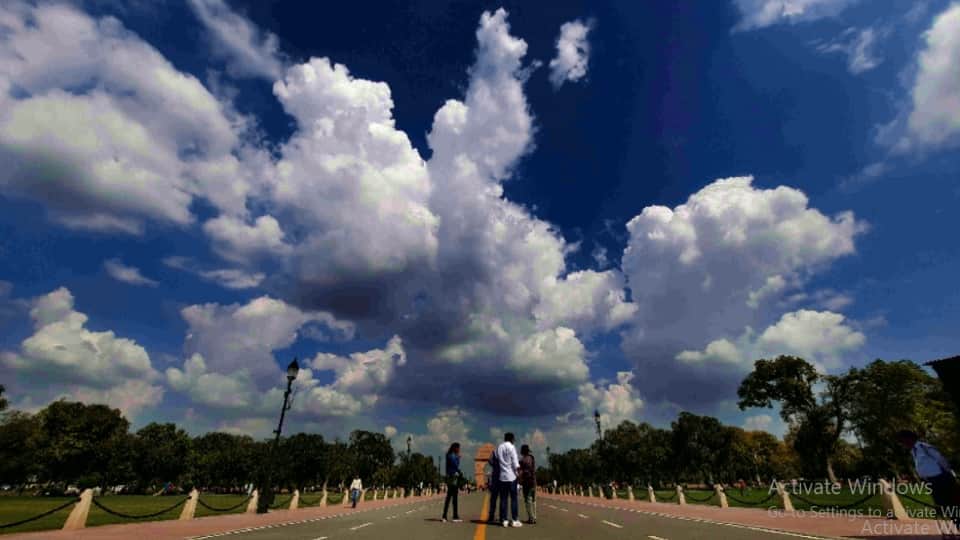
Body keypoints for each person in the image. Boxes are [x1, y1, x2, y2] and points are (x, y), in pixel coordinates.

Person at [896, 430, 960, 530]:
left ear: (909, 438)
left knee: (951, 504)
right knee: (943, 506)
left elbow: (940, 459)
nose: (902, 444)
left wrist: (947, 474)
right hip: (931, 482)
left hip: (941, 479)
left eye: (902, 441)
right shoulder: (913, 451)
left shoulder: (924, 447)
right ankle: (957, 523)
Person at [496, 432, 522, 528]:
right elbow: (515, 463)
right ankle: (514, 520)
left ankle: (504, 520)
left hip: (502, 477)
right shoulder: (512, 447)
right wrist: (519, 475)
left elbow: (497, 460)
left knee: (503, 499)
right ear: (511, 439)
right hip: (512, 477)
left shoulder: (499, 447)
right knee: (514, 499)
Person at [442, 443, 463, 523]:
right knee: (453, 498)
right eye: (458, 448)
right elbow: (455, 465)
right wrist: (458, 458)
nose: (459, 450)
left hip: (451, 477)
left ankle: (447, 516)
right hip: (452, 478)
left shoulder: (449, 455)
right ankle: (453, 516)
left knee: (451, 497)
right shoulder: (452, 456)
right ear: (455, 448)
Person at [519, 444, 537, 524]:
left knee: (527, 500)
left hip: (527, 482)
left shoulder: (522, 461)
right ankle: (534, 517)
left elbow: (521, 472)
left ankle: (531, 518)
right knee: (533, 500)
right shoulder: (532, 458)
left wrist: (520, 480)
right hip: (533, 481)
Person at [487, 448, 501, 523]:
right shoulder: (505, 452)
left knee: (493, 499)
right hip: (503, 477)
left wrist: (494, 465)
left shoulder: (494, 452)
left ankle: (491, 516)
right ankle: (502, 516)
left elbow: (489, 460)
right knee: (503, 498)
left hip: (495, 477)